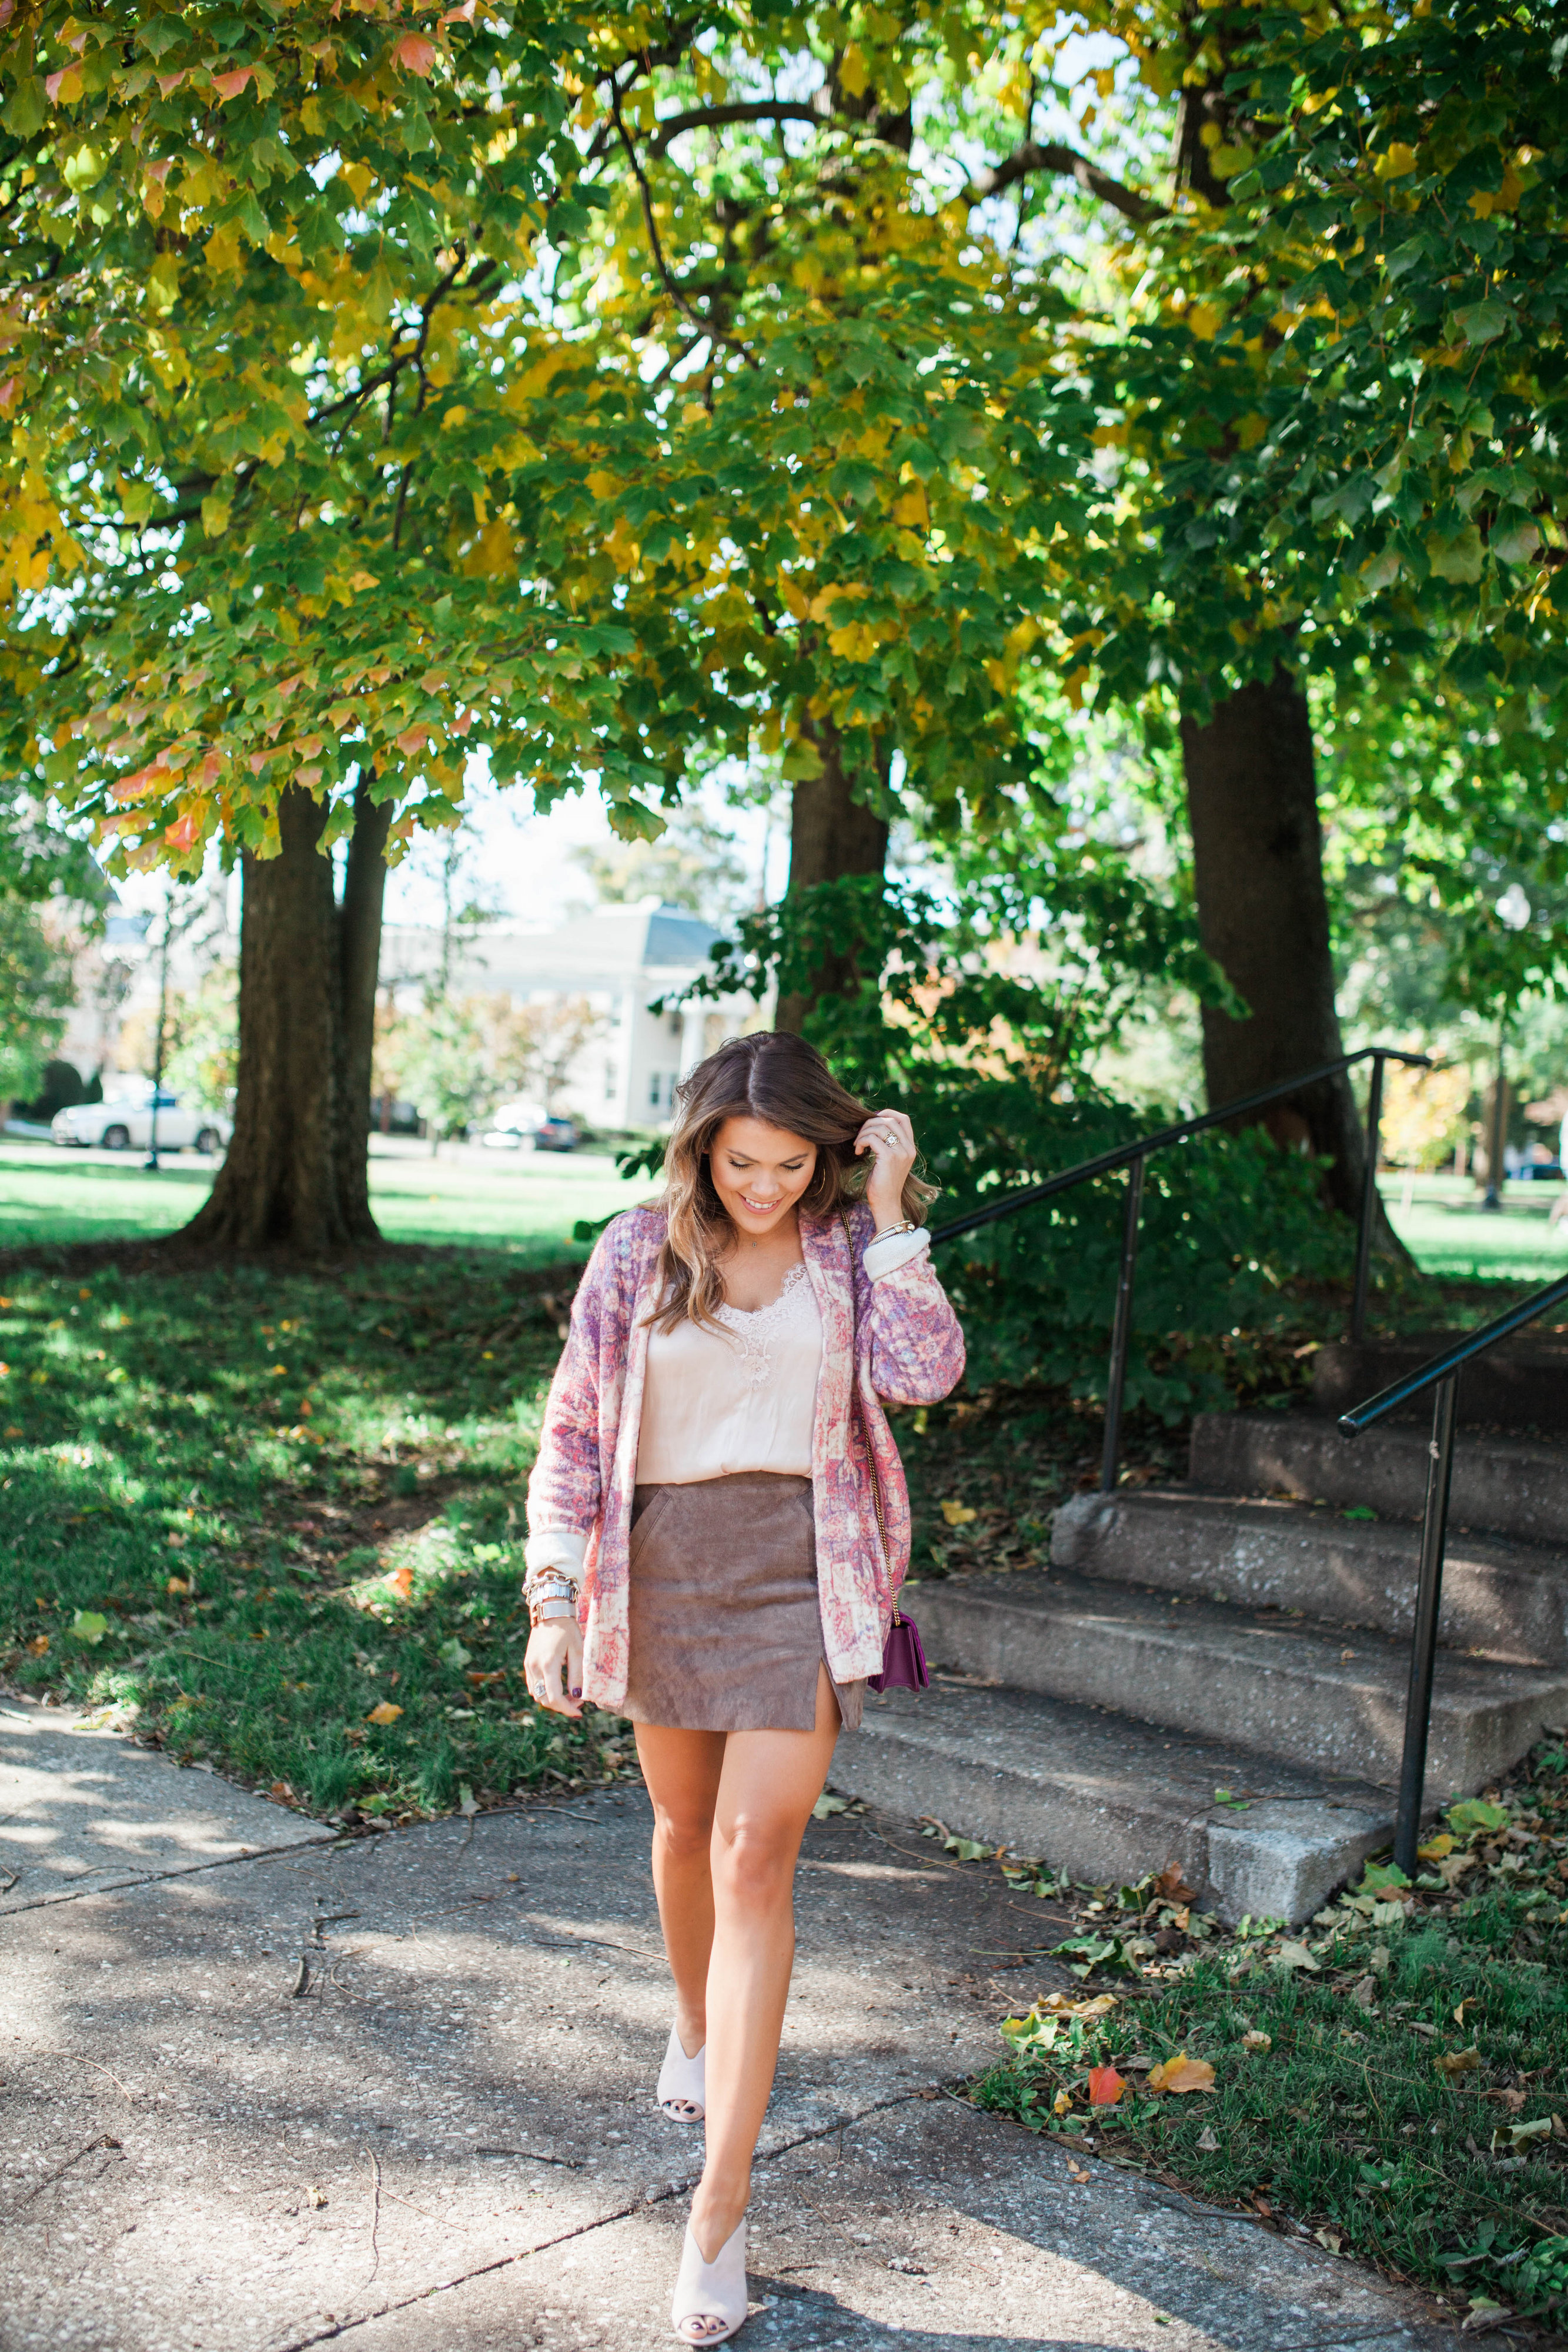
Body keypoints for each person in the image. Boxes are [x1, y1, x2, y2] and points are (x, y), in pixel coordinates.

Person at [521, 1031, 965, 2344]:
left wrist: (888, 1214)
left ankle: (717, 2205)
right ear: (699, 1147)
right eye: (741, 1161)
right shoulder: (631, 1250)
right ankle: (695, 2018)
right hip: (657, 1566)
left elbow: (922, 1374)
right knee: (676, 1830)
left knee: (750, 1852)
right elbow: (571, 1435)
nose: (765, 1185)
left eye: (791, 1162)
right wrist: (552, 1600)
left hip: (802, 1571)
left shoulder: (843, 1244)